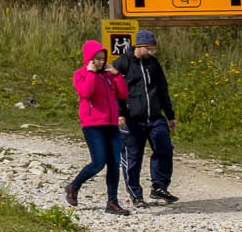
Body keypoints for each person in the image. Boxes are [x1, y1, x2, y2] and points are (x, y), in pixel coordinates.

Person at [67, 38, 130, 215]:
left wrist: (116, 75)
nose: (102, 62)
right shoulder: (81, 74)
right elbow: (86, 93)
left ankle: (112, 202)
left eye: (103, 58)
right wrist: (92, 74)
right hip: (93, 124)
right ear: (90, 59)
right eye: (98, 59)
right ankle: (74, 186)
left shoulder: (109, 75)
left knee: (114, 163)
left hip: (111, 124)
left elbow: (123, 93)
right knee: (98, 163)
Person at [118, 29, 178, 205]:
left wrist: (170, 115)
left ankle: (159, 187)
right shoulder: (123, 63)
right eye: (149, 49)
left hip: (154, 117)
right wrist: (120, 113)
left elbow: (162, 89)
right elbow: (115, 90)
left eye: (153, 49)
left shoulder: (153, 64)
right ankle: (135, 194)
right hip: (131, 119)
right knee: (133, 157)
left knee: (165, 148)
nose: (151, 52)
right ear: (139, 46)